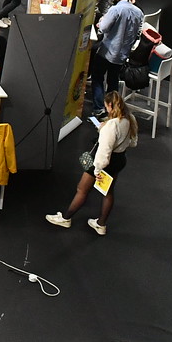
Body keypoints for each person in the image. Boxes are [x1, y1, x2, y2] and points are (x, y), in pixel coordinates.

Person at [46, 90, 139, 236]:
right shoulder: (130, 119)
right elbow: (133, 143)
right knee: (108, 193)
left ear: (109, 105)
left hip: (104, 163)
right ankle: (101, 224)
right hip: (120, 160)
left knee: (82, 190)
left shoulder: (111, 126)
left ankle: (65, 218)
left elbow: (104, 152)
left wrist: (97, 171)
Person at [91, 0, 145, 117]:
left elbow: (104, 28)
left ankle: (99, 108)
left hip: (107, 51)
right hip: (122, 55)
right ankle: (112, 110)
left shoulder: (116, 9)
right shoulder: (138, 12)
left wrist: (101, 22)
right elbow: (138, 31)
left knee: (97, 77)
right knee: (113, 81)